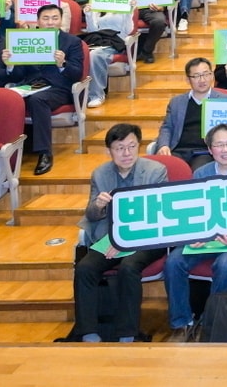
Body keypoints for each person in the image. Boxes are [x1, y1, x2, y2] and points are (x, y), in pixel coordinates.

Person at [163, 123, 227, 341]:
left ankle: (213, 323)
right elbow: (193, 212)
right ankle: (182, 323)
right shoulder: (201, 173)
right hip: (206, 238)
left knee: (225, 264)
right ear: (210, 150)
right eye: (219, 145)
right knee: (174, 261)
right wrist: (196, 234)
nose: (225, 149)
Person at [70, 123, 168, 342]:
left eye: (132, 146)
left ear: (138, 147)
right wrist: (98, 205)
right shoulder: (100, 174)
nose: (126, 153)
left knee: (129, 267)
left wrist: (125, 241)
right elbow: (92, 215)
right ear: (109, 151)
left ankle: (127, 333)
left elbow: (157, 216)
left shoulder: (155, 171)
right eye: (119, 148)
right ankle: (88, 332)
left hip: (147, 238)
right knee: (85, 268)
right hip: (109, 238)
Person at [0, 3, 82, 175]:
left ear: (61, 20)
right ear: (37, 21)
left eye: (54, 18)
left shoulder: (72, 42)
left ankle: (45, 153)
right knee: (3, 98)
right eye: (46, 18)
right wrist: (11, 65)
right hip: (29, 86)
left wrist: (62, 64)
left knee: (38, 100)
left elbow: (77, 74)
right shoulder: (25, 39)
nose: (50, 22)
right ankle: (3, 153)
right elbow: (17, 75)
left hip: (58, 89)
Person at [154, 58, 221, 169]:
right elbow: (167, 127)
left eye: (206, 74)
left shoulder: (224, 100)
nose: (202, 80)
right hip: (178, 151)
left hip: (205, 152)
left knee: (199, 174)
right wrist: (164, 145)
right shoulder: (177, 102)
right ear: (187, 79)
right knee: (165, 171)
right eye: (196, 76)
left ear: (212, 75)